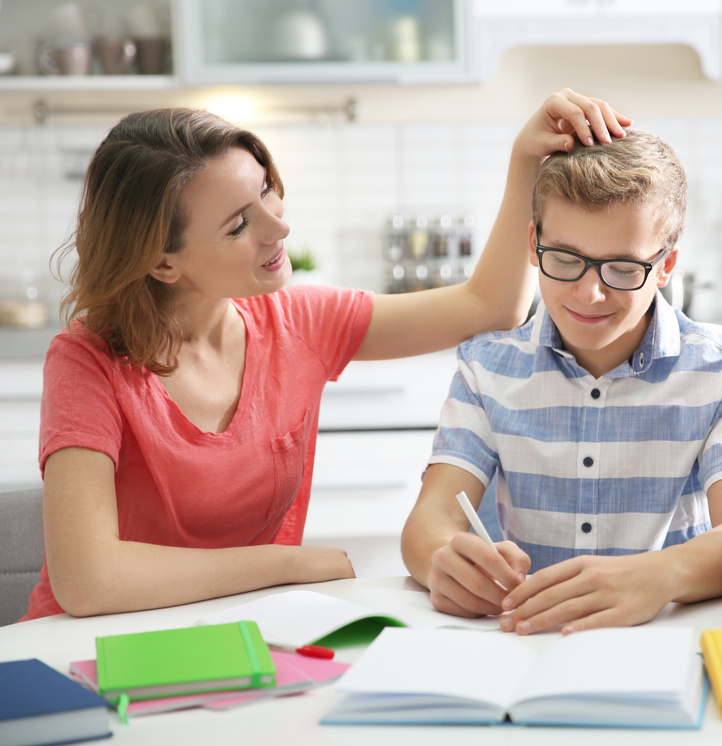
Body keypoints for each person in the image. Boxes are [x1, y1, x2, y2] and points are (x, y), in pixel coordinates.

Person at [20, 89, 630, 622]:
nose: (278, 229)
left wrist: (526, 157)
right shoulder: (86, 361)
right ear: (162, 261)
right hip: (88, 642)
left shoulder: (300, 322)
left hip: (247, 630)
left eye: (266, 193)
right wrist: (284, 564)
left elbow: (490, 305)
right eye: (239, 225)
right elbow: (87, 581)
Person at [401, 128, 722, 635]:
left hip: (669, 639)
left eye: (622, 268)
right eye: (566, 259)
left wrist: (656, 577)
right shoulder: (485, 368)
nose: (590, 293)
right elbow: (428, 521)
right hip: (528, 637)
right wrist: (442, 560)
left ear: (665, 264)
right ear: (534, 245)